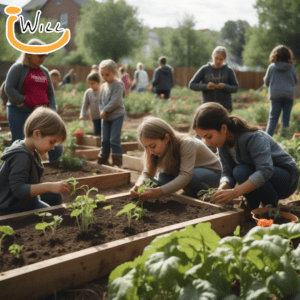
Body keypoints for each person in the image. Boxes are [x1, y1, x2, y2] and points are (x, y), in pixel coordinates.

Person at [192, 102, 299, 209]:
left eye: (209, 136)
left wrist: (235, 192)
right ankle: (252, 204)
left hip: (285, 180)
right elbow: (227, 173)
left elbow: (265, 170)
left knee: (241, 171)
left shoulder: (254, 138)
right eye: (203, 138)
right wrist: (221, 190)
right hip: (265, 178)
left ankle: (269, 203)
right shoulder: (222, 145)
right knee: (239, 171)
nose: (207, 143)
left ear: (224, 128)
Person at [130, 116, 222, 200]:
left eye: (153, 146)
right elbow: (147, 173)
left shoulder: (187, 143)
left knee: (192, 178)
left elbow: (185, 176)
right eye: (146, 147)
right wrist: (138, 184)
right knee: (163, 178)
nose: (150, 151)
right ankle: (191, 193)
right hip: (191, 174)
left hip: (213, 175)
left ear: (166, 138)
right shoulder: (151, 149)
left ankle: (207, 196)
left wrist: (157, 191)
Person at [0, 106, 71, 215]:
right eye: (51, 142)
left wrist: (51, 187)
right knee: (50, 216)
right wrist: (50, 186)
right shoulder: (21, 156)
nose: (52, 148)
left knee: (54, 197)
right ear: (37, 134)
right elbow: (18, 190)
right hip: (10, 208)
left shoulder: (29, 150)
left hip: (25, 201)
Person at [5, 38, 63, 162]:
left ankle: (53, 169)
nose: (43, 58)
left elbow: (51, 94)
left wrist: (51, 111)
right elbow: (8, 88)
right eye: (40, 55)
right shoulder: (18, 68)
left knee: (55, 145)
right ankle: (18, 173)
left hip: (40, 115)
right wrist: (24, 100)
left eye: (45, 55)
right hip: (19, 112)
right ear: (29, 53)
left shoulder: (44, 71)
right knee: (20, 145)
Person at [189, 46, 238, 112]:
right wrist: (206, 86)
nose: (218, 61)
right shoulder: (205, 69)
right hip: (207, 107)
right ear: (212, 56)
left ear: (224, 59)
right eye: (216, 58)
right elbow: (192, 85)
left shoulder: (228, 70)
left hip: (225, 107)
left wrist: (224, 86)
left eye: (221, 59)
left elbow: (235, 88)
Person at [264, 45, 298, 136]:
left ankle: (267, 139)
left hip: (275, 95)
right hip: (288, 95)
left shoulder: (271, 67)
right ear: (288, 56)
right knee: (286, 119)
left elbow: (266, 82)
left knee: (273, 119)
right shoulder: (291, 68)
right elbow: (295, 81)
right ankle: (285, 140)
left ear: (274, 55)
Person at [97, 59, 125, 167]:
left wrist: (105, 110)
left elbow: (116, 100)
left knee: (114, 139)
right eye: (102, 75)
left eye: (107, 74)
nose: (104, 77)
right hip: (105, 117)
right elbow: (100, 101)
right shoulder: (103, 86)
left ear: (114, 72)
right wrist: (101, 111)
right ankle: (102, 160)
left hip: (117, 116)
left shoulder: (118, 84)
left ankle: (117, 163)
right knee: (104, 140)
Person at [79, 72, 102, 136]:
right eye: (89, 84)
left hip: (104, 117)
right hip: (94, 117)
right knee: (97, 133)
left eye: (93, 83)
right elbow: (85, 104)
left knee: (104, 133)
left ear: (99, 82)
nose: (91, 85)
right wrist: (82, 114)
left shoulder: (103, 91)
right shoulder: (88, 92)